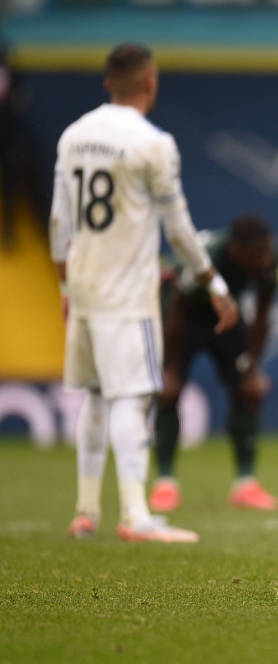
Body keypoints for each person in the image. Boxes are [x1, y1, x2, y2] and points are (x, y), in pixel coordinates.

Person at [50, 44, 239, 542]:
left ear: (108, 82)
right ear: (150, 82)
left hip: (84, 289)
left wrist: (66, 285)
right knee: (132, 399)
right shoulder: (153, 144)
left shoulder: (74, 136)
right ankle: (135, 515)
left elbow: (58, 222)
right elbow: (178, 230)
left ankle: (85, 510)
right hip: (128, 293)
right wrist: (214, 283)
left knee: (93, 397)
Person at [149, 214, 278, 512]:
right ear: (236, 251)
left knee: (248, 391)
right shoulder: (209, 257)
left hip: (228, 314)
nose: (265, 260)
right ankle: (165, 484)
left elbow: (262, 314)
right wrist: (170, 369)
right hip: (181, 317)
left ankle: (246, 484)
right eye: (257, 255)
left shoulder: (269, 256)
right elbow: (179, 309)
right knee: (169, 391)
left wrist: (252, 367)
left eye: (267, 252)